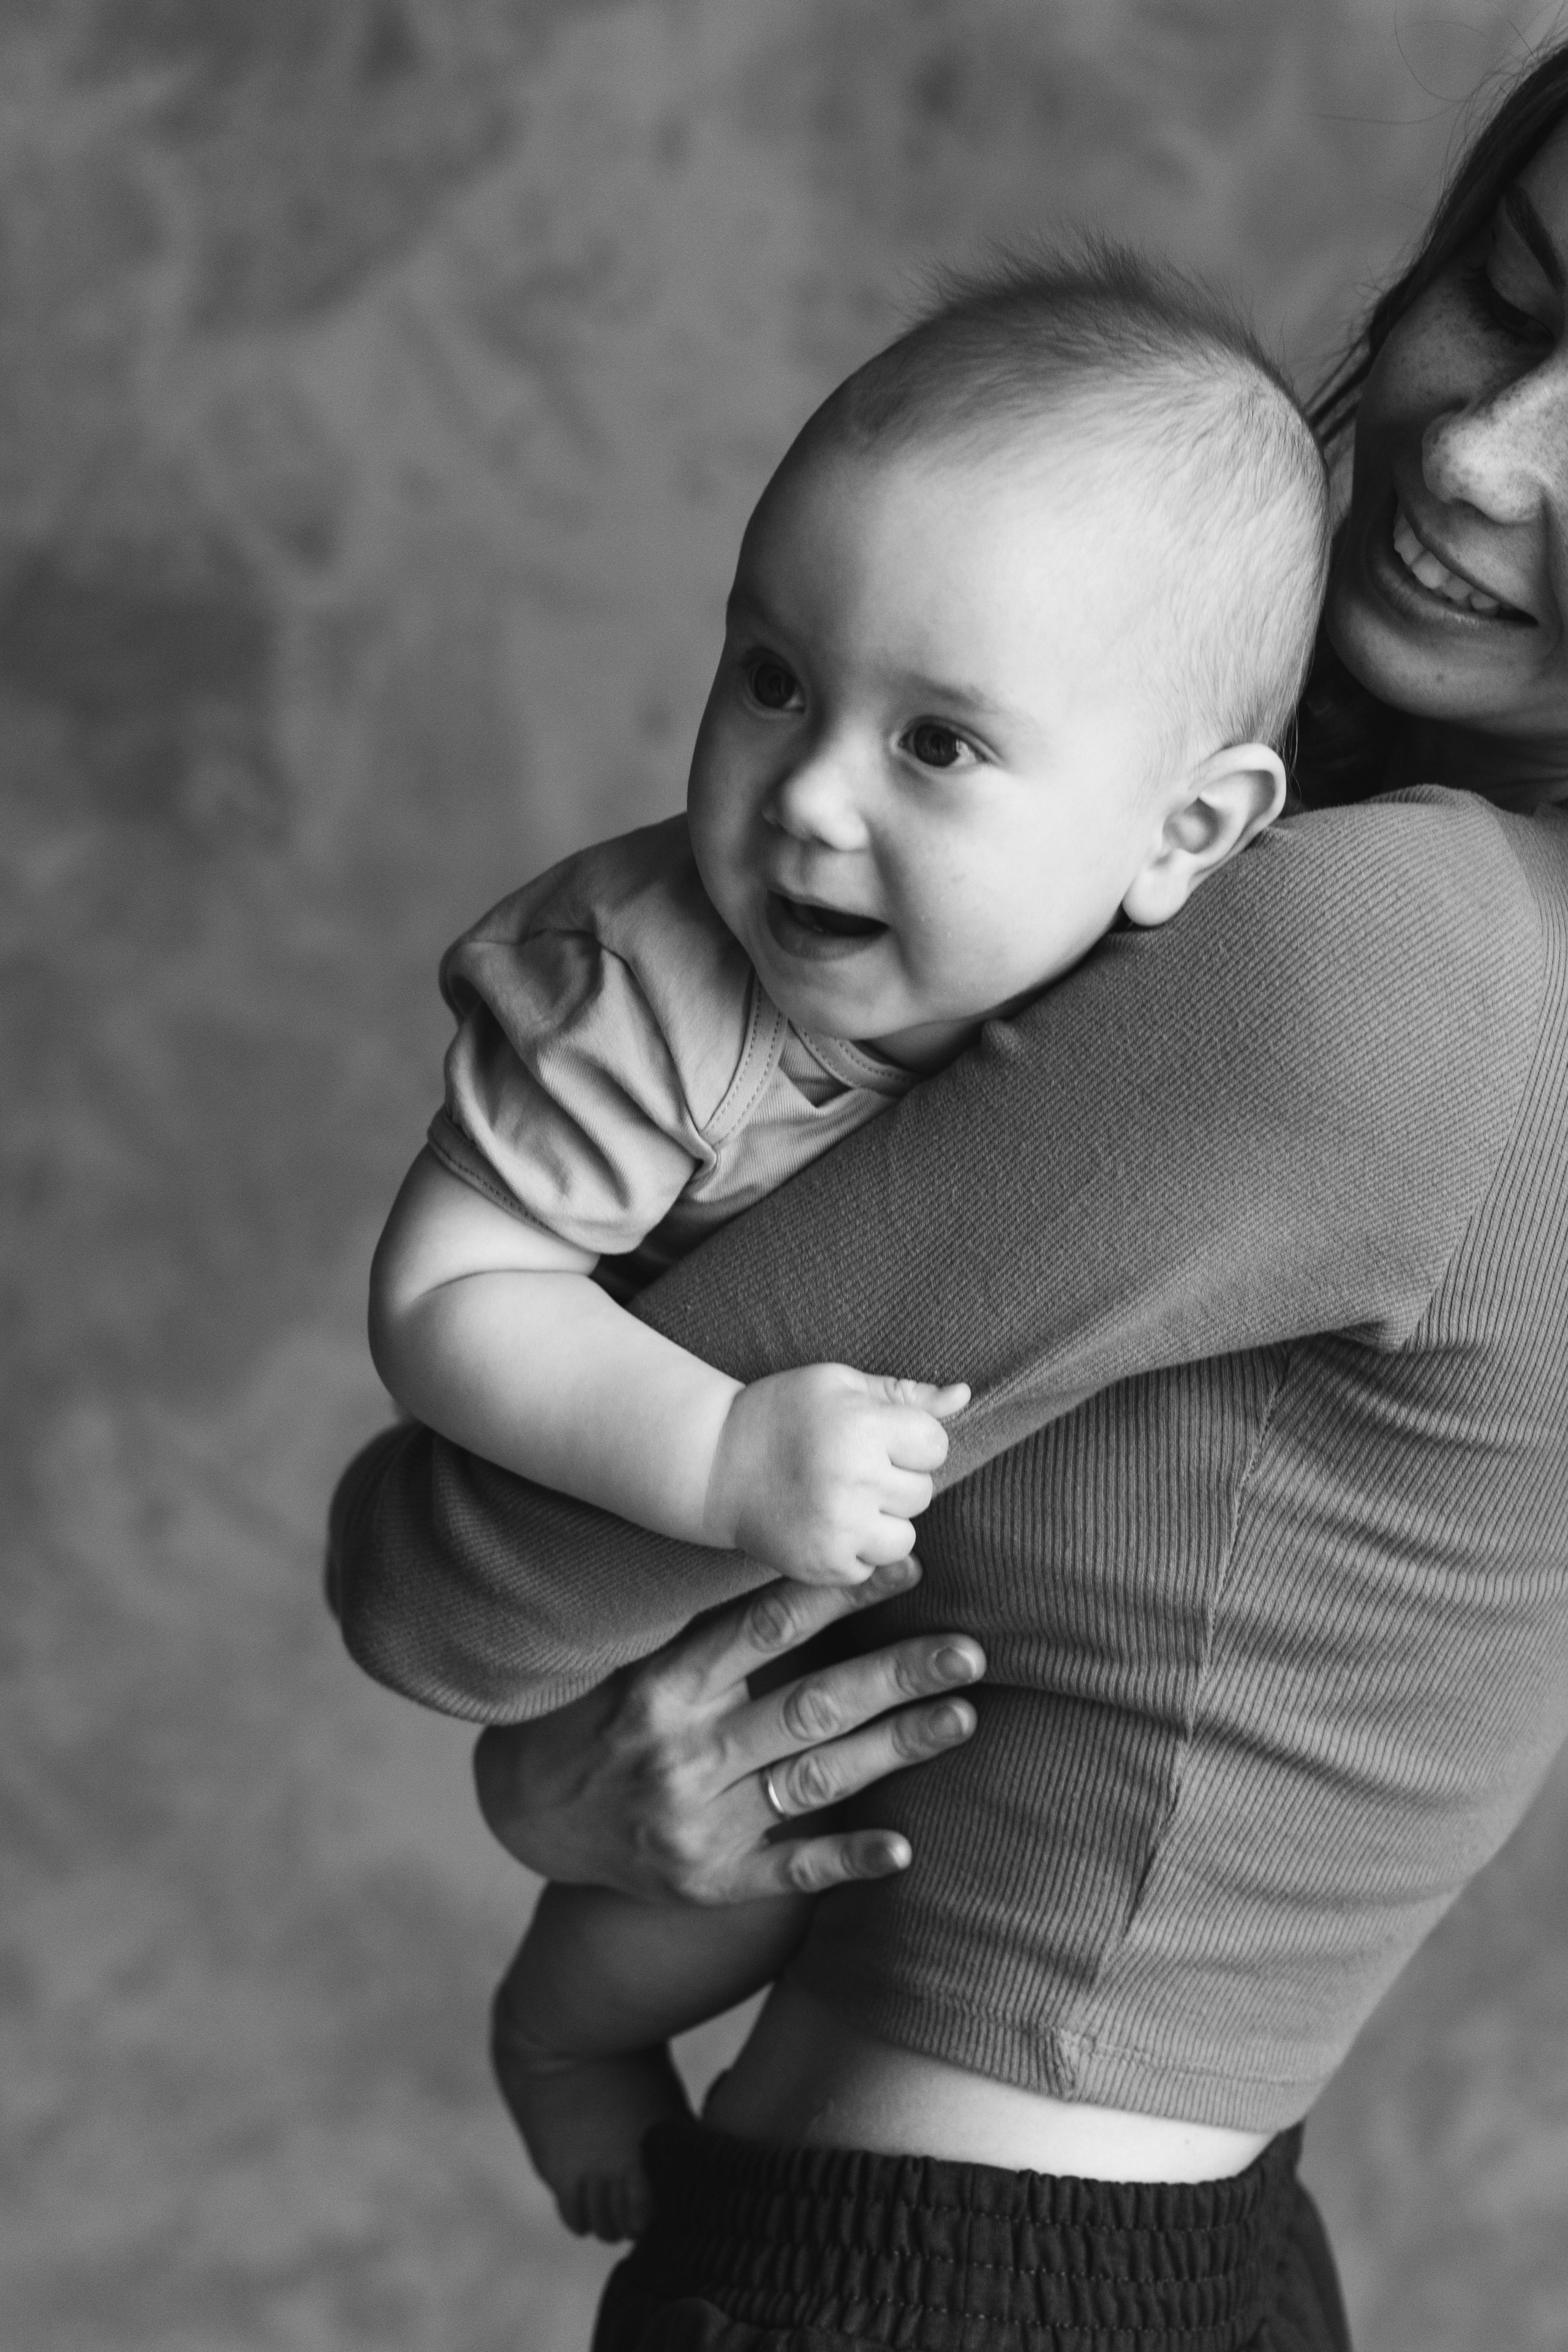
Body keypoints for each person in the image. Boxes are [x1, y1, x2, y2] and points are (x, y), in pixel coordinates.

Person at [328, 42, 1568, 2352]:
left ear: (1212, 816)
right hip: (1168, 2254)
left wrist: (543, 1779)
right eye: (1511, 292)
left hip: (950, 2282)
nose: (1490, 457)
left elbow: (454, 1586)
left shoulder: (1396, 960)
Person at [364, 256, 1327, 2242]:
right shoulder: (647, 987)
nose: (803, 797)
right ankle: (560, 2050)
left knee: (860, 1872)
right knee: (667, 1909)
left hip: (961, 1680)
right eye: (775, 677)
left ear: (1189, 837)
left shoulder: (1216, 994)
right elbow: (452, 1294)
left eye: (941, 746)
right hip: (666, 1602)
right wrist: (716, 1458)